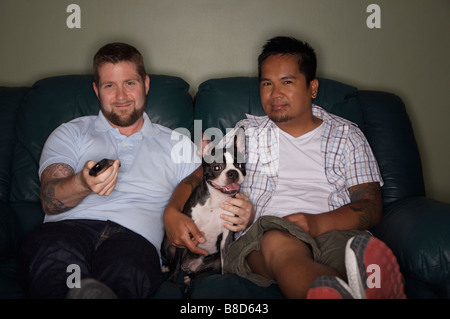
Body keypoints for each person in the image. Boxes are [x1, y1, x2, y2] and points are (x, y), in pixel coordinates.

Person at [163, 36, 406, 299]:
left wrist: (315, 223)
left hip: (335, 229)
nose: (275, 94)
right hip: (266, 236)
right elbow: (200, 176)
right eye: (267, 84)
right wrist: (172, 211)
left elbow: (370, 204)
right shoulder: (247, 133)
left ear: (312, 87)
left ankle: (362, 283)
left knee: (352, 255)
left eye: (287, 82)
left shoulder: (347, 135)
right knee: (280, 244)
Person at [18, 42, 200, 298]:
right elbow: (49, 199)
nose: (121, 96)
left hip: (134, 240)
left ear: (145, 84)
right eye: (109, 86)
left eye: (130, 83)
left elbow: (205, 200)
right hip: (67, 231)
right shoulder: (71, 132)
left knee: (126, 273)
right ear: (96, 90)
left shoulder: (179, 144)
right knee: (56, 260)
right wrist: (82, 183)